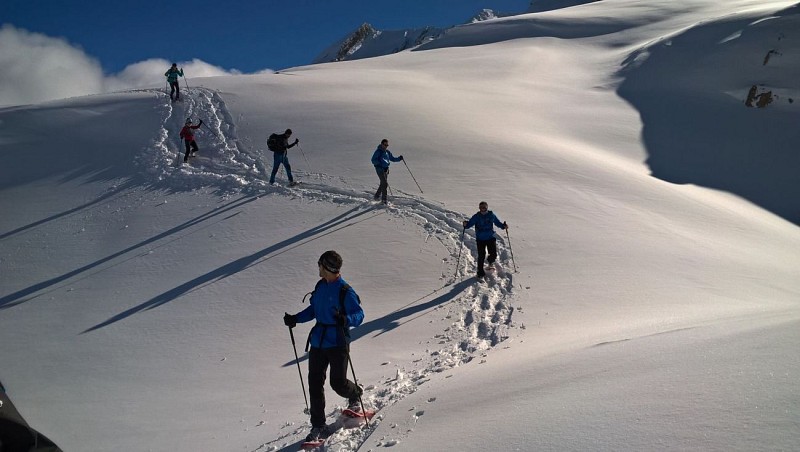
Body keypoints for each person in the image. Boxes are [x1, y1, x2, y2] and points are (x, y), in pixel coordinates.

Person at [284, 251, 365, 442]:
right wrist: (296, 318)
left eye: (320, 264)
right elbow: (314, 309)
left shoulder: (345, 291)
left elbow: (359, 315)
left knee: (337, 382)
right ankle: (318, 425)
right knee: (314, 383)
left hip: (337, 342)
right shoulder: (321, 286)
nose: (318, 268)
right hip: (318, 341)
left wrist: (345, 319)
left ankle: (355, 394)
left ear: (327, 267)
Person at [462, 201, 508, 278]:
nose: (483, 209)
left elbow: (497, 223)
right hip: (480, 239)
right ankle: (480, 273)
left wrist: (503, 226)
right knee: (481, 256)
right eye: (481, 207)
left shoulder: (491, 215)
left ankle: (490, 262)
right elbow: (469, 224)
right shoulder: (476, 216)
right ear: (479, 208)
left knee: (493, 254)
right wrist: (465, 224)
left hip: (490, 237)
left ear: (487, 207)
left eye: (484, 207)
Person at [370, 138, 403, 204]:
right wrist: (379, 164)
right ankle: (384, 200)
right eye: (385, 144)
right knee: (384, 184)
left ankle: (376, 196)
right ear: (382, 144)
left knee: (382, 183)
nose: (386, 146)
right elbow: (373, 160)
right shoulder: (378, 151)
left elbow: (392, 159)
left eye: (387, 145)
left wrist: (399, 158)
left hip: (386, 170)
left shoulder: (387, 152)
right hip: (380, 170)